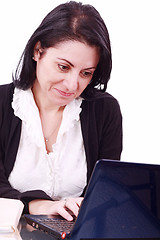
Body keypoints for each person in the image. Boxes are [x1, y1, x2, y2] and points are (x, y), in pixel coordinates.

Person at [0, 1, 122, 221]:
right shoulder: (1, 104)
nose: (72, 85)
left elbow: (105, 192)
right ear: (38, 51)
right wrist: (38, 205)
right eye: (63, 67)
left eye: (86, 73)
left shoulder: (105, 110)